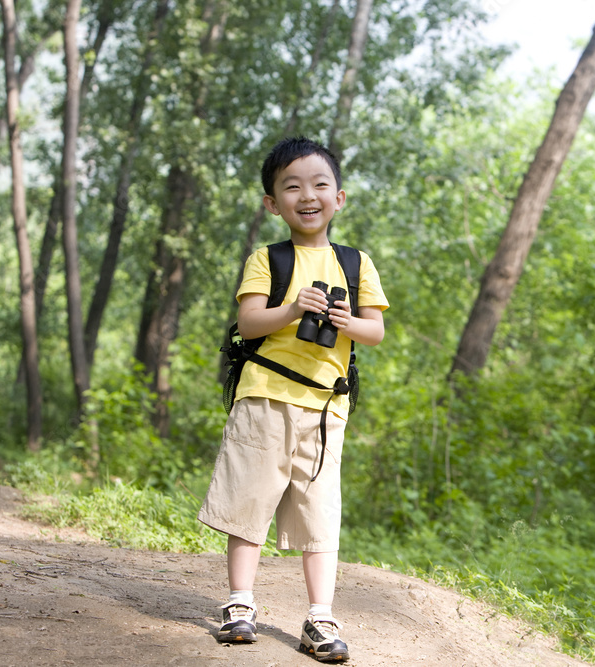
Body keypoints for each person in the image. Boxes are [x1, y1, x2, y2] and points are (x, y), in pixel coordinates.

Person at [198, 136, 388, 662]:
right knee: (249, 499)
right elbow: (247, 322)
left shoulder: (356, 263)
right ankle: (239, 606)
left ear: (339, 198)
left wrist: (348, 322)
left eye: (320, 184)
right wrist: (291, 309)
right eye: (292, 186)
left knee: (319, 509)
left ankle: (319, 617)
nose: (308, 195)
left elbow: (375, 331)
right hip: (264, 394)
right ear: (272, 203)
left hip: (326, 406)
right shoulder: (268, 258)